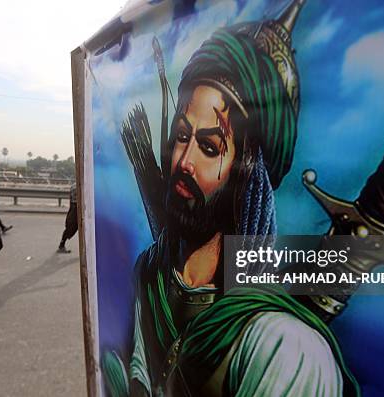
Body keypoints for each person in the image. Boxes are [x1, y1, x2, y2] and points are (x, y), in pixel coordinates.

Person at [102, 1, 360, 396]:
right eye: (181, 136)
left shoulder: (282, 348)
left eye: (208, 147)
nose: (183, 161)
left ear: (249, 175)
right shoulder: (151, 272)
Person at [57, 184, 78, 253]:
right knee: (70, 229)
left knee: (70, 229)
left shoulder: (74, 186)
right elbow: (76, 202)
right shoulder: (77, 187)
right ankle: (61, 245)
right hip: (75, 211)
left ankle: (61, 245)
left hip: (74, 210)